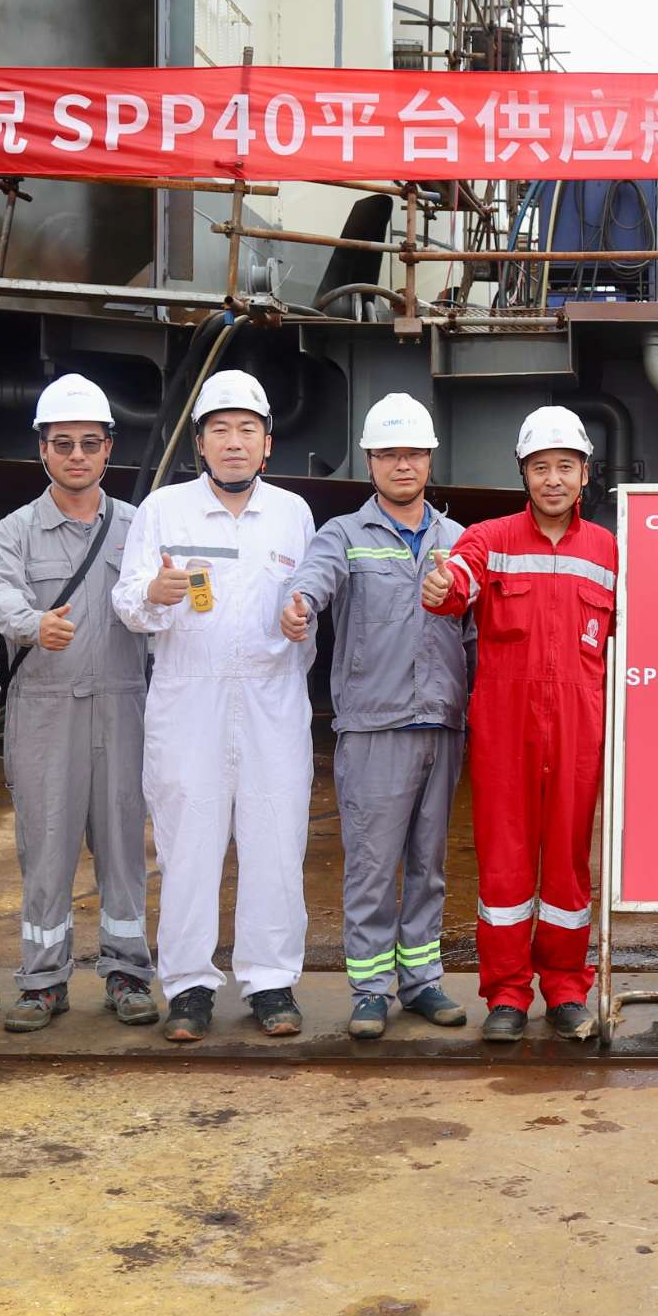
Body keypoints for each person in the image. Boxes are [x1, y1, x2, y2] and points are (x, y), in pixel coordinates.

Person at [113, 369, 317, 1044]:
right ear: (199, 443)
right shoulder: (164, 510)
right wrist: (156, 594)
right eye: (220, 430)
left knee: (276, 844)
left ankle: (270, 982)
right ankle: (189, 987)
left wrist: (299, 627)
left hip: (271, 700)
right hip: (188, 699)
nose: (234, 442)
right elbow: (128, 601)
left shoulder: (292, 513)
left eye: (247, 430)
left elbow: (309, 605)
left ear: (267, 444)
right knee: (188, 847)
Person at [282, 392, 478, 1039]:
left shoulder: (459, 542)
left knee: (429, 865)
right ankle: (370, 990)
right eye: (389, 454)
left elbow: (477, 633)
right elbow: (314, 577)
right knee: (371, 865)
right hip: (374, 728)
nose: (402, 465)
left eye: (413, 453)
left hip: (440, 725)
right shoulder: (344, 535)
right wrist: (299, 603)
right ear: (369, 461)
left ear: (430, 459)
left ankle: (422, 982)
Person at [421, 405, 618, 1043]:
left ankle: (566, 989)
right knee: (504, 864)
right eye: (540, 467)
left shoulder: (608, 550)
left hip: (579, 730)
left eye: (565, 466)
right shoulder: (490, 539)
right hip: (505, 730)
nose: (552, 479)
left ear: (585, 473)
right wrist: (444, 587)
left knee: (567, 864)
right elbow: (458, 581)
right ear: (523, 474)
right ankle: (506, 993)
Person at [0, 374, 158, 1033]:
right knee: (46, 848)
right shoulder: (14, 532)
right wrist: (31, 624)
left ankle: (128, 973)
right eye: (63, 443)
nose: (76, 455)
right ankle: (42, 980)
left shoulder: (138, 527)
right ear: (43, 449)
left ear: (109, 448)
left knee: (123, 846)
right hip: (45, 707)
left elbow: (165, 601)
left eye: (89, 443)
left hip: (122, 702)